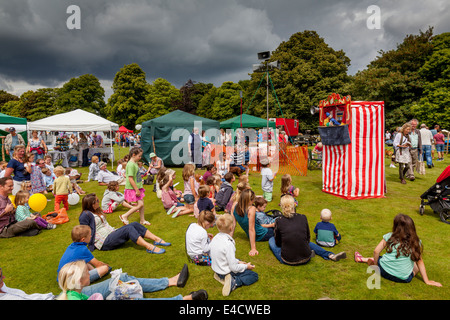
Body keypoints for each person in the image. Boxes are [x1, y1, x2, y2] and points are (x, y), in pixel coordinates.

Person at [354, 214, 442, 287]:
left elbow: (376, 251)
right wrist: (427, 281)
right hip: (403, 279)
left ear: (396, 226)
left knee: (381, 258)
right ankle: (366, 260)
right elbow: (420, 262)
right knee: (415, 265)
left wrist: (376, 265)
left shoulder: (389, 236)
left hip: (384, 271)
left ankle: (363, 259)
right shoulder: (416, 242)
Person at [57, 260, 207, 300]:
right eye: (87, 273)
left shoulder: (75, 292)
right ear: (80, 280)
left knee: (122, 281)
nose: (91, 274)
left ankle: (171, 283)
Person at [79, 193, 169, 254]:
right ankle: (149, 247)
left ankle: (156, 239)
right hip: (104, 242)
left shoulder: (97, 210)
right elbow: (83, 231)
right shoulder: (85, 215)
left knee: (134, 224)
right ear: (92, 204)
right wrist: (88, 244)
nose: (99, 202)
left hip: (111, 233)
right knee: (128, 228)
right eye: (97, 201)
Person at [269, 195, 346, 265]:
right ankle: (330, 255)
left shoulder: (279, 221)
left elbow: (278, 243)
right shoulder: (303, 217)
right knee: (305, 242)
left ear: (282, 206)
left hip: (288, 259)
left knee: (271, 240)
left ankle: (295, 253)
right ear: (294, 204)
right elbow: (307, 238)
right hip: (306, 257)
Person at [210, 213, 258, 297]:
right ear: (231, 227)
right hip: (224, 271)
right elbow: (234, 268)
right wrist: (246, 267)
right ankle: (234, 282)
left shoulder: (216, 237)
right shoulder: (229, 244)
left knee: (237, 260)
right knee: (253, 275)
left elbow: (223, 256)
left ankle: (220, 277)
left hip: (217, 268)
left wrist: (238, 261)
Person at [233, 189, 274, 257]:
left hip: (254, 234)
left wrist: (229, 238)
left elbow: (233, 224)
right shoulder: (251, 209)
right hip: (262, 234)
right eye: (253, 200)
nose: (254, 201)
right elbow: (251, 229)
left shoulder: (235, 205)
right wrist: (253, 248)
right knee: (278, 228)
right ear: (249, 200)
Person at [124, 147, 149, 225]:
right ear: (133, 155)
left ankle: (142, 220)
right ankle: (125, 216)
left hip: (137, 187)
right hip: (133, 188)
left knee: (142, 203)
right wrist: (136, 190)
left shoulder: (134, 163)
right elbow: (130, 178)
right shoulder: (131, 164)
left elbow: (134, 176)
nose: (140, 158)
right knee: (140, 204)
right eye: (139, 156)